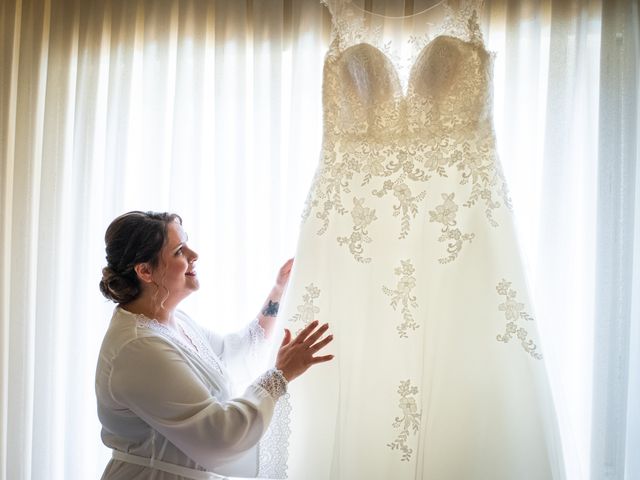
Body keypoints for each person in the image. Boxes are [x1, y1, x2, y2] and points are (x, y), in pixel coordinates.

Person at [95, 211, 334, 480]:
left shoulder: (172, 322)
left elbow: (231, 353)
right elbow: (219, 435)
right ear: (145, 271)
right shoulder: (139, 348)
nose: (193, 255)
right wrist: (280, 374)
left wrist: (279, 291)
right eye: (179, 251)